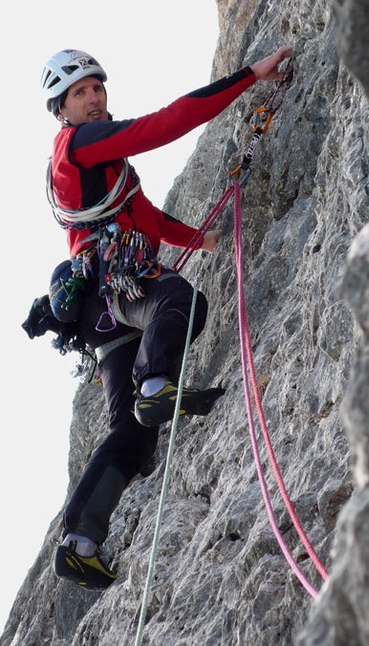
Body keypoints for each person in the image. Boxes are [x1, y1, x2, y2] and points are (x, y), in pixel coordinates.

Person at [23, 44, 293, 590]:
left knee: (129, 433)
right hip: (117, 286)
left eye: (98, 88)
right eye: (80, 92)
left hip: (101, 315)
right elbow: (165, 124)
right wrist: (248, 75)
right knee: (181, 300)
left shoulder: (98, 166)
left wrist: (203, 238)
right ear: (61, 109)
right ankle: (155, 381)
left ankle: (79, 542)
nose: (95, 98)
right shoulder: (80, 146)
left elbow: (145, 217)